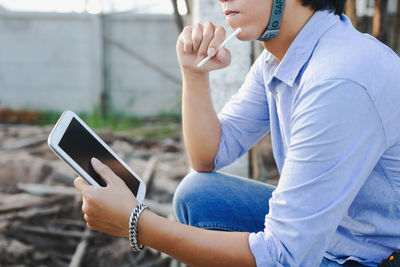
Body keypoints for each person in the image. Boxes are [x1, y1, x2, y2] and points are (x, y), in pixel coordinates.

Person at [73, 0, 400, 266]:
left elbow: (282, 256)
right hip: (333, 234)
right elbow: (208, 156)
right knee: (198, 194)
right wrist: (193, 72)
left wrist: (137, 223)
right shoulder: (280, 59)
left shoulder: (337, 80)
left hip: (371, 257)